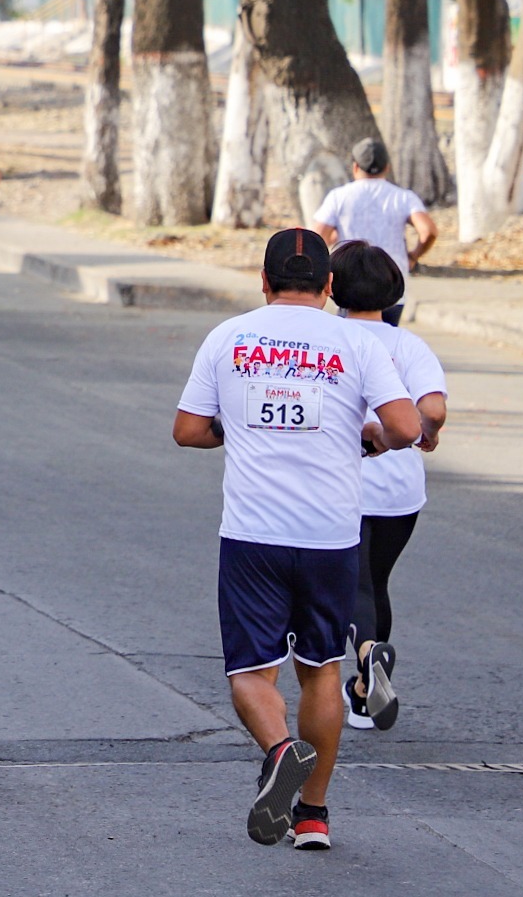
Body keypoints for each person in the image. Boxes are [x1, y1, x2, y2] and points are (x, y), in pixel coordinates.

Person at [173, 228, 421, 851]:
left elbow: (187, 430)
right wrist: (370, 439)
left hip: (253, 532)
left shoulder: (228, 336)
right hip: (331, 536)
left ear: (263, 282)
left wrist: (241, 431)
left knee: (251, 673)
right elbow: (407, 424)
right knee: (321, 672)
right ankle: (312, 815)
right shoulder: (353, 340)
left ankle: (281, 751)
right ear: (328, 286)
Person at [328, 242, 448, 733]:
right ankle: (362, 693)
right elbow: (433, 410)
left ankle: (366, 653)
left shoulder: (326, 338)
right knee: (375, 585)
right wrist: (429, 435)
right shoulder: (409, 345)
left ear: (330, 287)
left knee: (349, 587)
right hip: (400, 492)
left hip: (341, 481)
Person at [312, 138, 438, 327]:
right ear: (387, 167)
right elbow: (428, 231)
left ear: (355, 167)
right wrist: (413, 256)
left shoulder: (339, 197)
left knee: (348, 345)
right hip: (391, 286)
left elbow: (317, 237)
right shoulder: (403, 197)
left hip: (348, 283)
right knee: (386, 344)